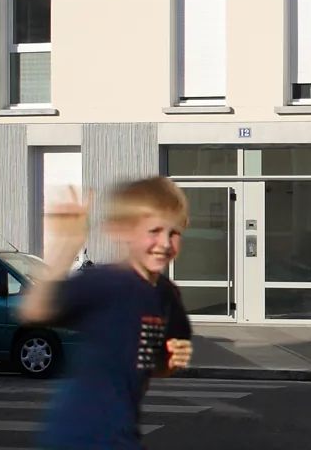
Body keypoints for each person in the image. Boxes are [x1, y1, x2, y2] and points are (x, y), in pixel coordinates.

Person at [21, 177, 194, 449]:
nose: (164, 242)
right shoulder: (105, 282)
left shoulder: (166, 296)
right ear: (122, 230)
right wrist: (66, 246)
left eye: (174, 233)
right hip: (78, 436)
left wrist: (171, 362)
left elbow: (152, 364)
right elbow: (34, 310)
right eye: (155, 231)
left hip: (122, 434)